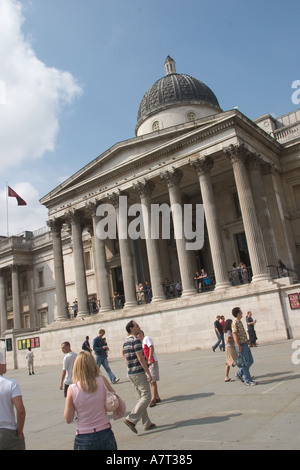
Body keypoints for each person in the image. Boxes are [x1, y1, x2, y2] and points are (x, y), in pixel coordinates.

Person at [64, 351, 125, 450]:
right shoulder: (102, 380)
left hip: (83, 436)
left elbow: (68, 418)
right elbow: (115, 398)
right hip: (105, 432)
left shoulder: (72, 389)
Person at [122, 320, 156, 434]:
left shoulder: (125, 342)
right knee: (146, 396)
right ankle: (131, 419)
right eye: (136, 326)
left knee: (140, 398)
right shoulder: (135, 341)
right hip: (138, 372)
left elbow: (126, 359)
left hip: (131, 372)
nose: (139, 327)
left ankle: (146, 423)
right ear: (131, 328)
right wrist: (148, 372)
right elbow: (141, 358)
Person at [0, 347, 26, 450]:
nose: (6, 364)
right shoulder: (11, 384)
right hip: (8, 432)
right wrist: (19, 432)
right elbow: (20, 411)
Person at [232, 307, 257, 386]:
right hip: (241, 345)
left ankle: (240, 373)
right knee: (245, 363)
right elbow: (234, 334)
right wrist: (238, 345)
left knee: (250, 361)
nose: (242, 313)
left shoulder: (239, 321)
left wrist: (247, 340)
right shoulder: (234, 323)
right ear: (238, 313)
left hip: (245, 343)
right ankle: (247, 380)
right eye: (241, 312)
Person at [137, 330, 161, 407]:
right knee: (152, 381)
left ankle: (153, 398)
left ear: (141, 334)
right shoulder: (142, 342)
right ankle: (157, 396)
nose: (137, 337)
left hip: (152, 361)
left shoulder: (146, 338)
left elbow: (151, 347)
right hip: (149, 362)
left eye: (138, 335)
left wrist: (150, 358)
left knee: (152, 381)